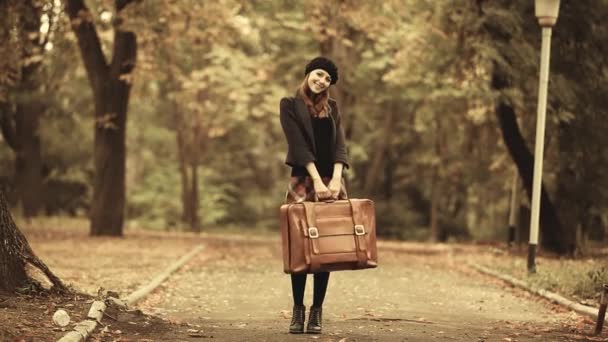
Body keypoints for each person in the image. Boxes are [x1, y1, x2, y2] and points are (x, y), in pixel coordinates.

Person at [279, 56, 349, 334]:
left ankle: (317, 310)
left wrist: (336, 179)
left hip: (332, 181)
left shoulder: (332, 108)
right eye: (319, 74)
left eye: (327, 79)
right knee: (300, 246)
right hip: (304, 181)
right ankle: (298, 309)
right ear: (309, 73)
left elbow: (340, 146)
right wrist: (318, 182)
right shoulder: (289, 104)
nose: (322, 81)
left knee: (327, 247)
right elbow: (297, 145)